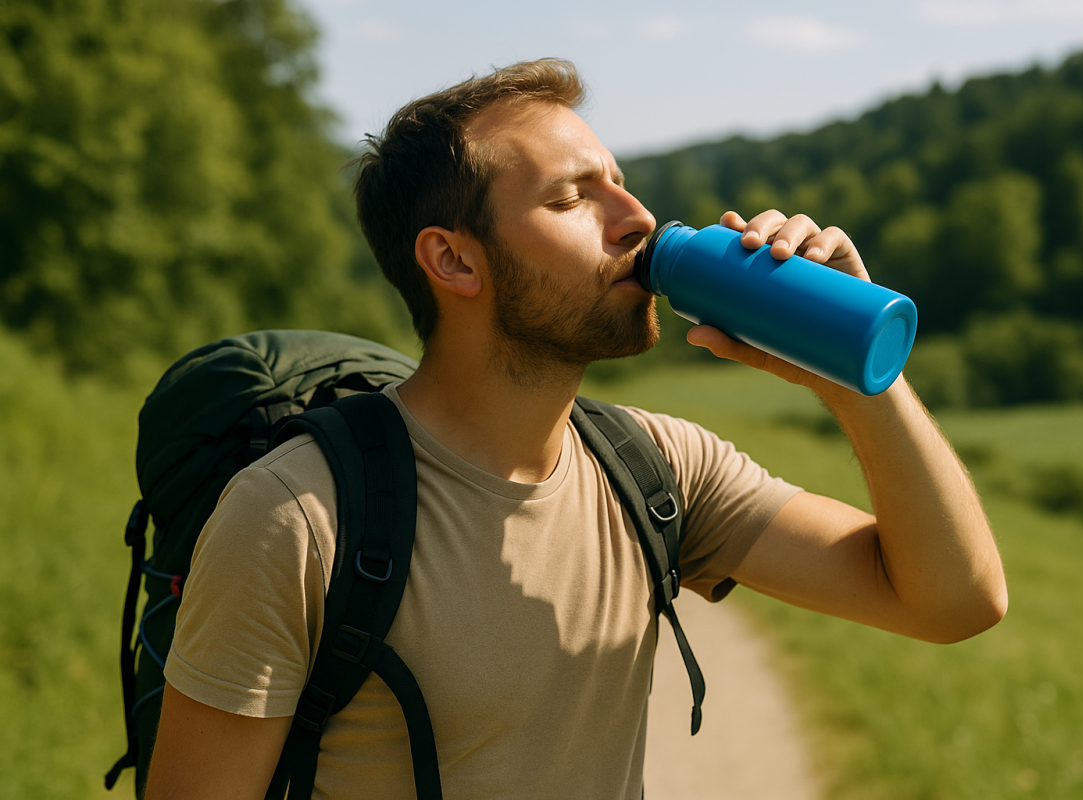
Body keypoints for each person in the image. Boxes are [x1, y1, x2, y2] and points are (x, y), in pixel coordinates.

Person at [145, 58, 1006, 799]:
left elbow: (954, 602)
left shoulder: (657, 468)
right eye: (571, 198)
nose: (635, 218)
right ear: (453, 260)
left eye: (620, 182)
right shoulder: (295, 520)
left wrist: (857, 376)